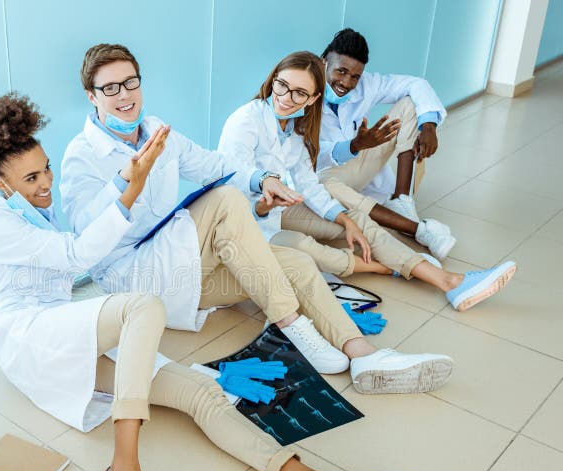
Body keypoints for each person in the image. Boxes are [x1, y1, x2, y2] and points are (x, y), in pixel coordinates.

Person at [0, 92, 418, 471]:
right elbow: (79, 254)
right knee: (142, 309)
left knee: (201, 392)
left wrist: (128, 180)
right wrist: (131, 188)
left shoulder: (33, 208)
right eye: (31, 179)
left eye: (45, 170)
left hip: (64, 332)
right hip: (30, 336)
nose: (45, 184)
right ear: (1, 184)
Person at [61, 43, 454, 389]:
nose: (124, 95)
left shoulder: (158, 133)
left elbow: (218, 165)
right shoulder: (81, 155)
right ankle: (292, 325)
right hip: (135, 275)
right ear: (91, 96)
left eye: (131, 82)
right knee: (228, 200)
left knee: (296, 262)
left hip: (184, 274)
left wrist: (263, 178)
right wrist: (125, 184)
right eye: (110, 88)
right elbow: (83, 239)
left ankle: (365, 355)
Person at [217, 51, 517, 312]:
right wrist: (265, 187)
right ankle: (390, 266)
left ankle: (451, 282)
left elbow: (307, 184)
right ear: (272, 81)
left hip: (277, 210)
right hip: (246, 220)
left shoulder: (294, 128)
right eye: (282, 86)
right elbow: (232, 173)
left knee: (357, 219)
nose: (286, 98)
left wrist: (345, 220)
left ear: (312, 99)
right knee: (307, 249)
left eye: (299, 93)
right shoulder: (246, 120)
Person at [318, 28, 456, 259]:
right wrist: (354, 146)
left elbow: (416, 84)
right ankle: (420, 230)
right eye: (341, 71)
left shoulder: (366, 84)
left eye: (355, 76)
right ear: (324, 63)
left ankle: (401, 201)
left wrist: (428, 126)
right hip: (325, 175)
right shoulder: (302, 89)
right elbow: (304, 154)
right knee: (327, 186)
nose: (347, 82)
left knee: (410, 105)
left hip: (359, 165)